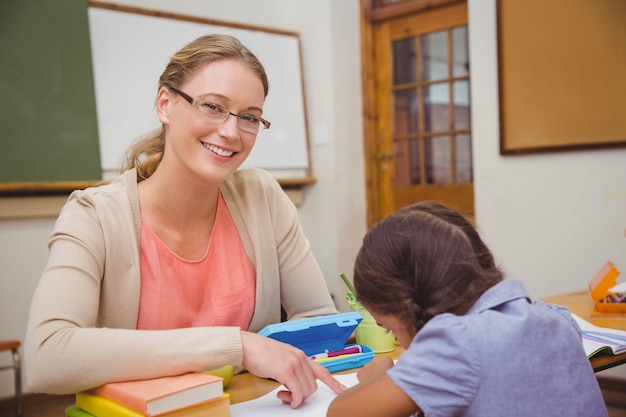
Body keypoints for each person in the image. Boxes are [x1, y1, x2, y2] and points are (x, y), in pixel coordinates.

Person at [24, 34, 343, 409]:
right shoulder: (94, 215)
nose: (230, 131)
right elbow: (46, 357)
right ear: (165, 104)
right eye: (212, 106)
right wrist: (237, 346)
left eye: (249, 117)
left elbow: (318, 320)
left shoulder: (262, 196)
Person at [327, 201, 608, 417]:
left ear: (412, 306)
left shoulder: (456, 343)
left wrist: (381, 374)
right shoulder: (555, 318)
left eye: (390, 329)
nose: (398, 342)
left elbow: (340, 412)